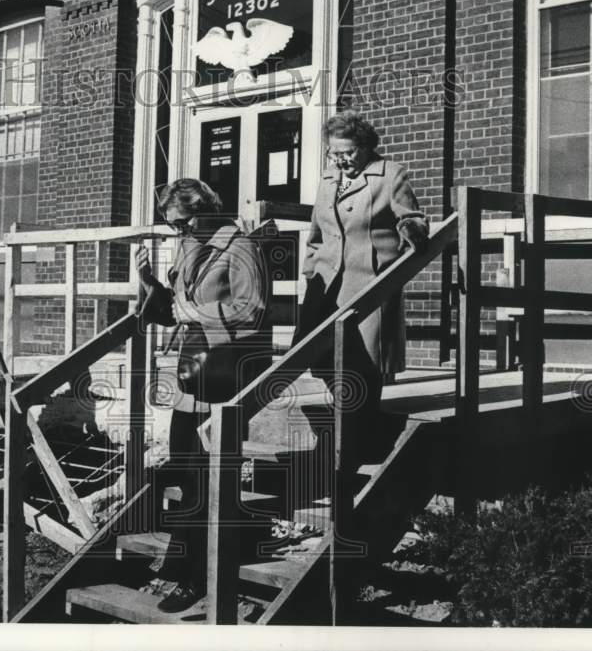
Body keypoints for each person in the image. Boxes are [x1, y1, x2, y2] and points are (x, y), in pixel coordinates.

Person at [135, 178, 271, 613]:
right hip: (191, 372)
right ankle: (194, 559)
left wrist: (196, 312)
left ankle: (193, 576)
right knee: (185, 469)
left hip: (225, 373)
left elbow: (253, 309)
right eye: (173, 225)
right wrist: (147, 281)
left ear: (208, 207)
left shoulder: (240, 246)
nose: (180, 230)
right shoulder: (189, 243)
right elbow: (171, 311)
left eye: (185, 220)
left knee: (204, 476)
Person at [295, 110, 429, 462]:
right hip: (326, 284)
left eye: (349, 152)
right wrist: (309, 271)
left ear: (367, 146)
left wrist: (411, 230)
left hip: (368, 284)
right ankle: (348, 429)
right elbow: (316, 234)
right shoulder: (328, 179)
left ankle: (357, 444)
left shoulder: (390, 174)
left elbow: (411, 217)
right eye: (334, 153)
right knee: (317, 355)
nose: (341, 160)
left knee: (363, 365)